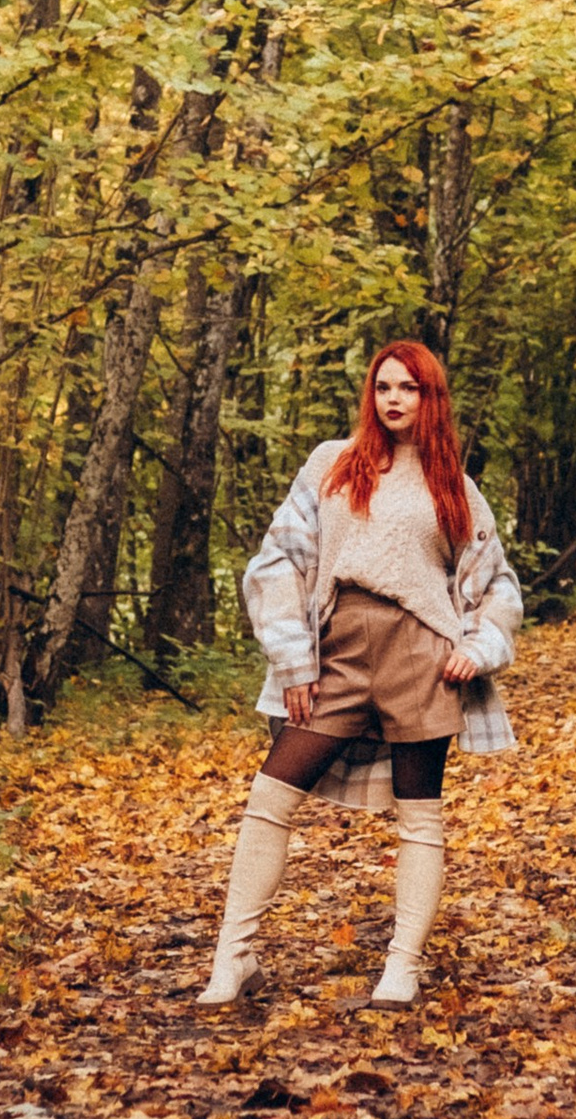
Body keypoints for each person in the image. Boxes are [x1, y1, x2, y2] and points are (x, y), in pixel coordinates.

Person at [201, 340, 524, 1009]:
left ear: (431, 397)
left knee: (419, 816)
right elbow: (277, 561)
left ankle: (402, 967)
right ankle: (233, 961)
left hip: (421, 659)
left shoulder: (454, 485)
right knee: (271, 796)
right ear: (371, 395)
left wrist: (480, 646)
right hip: (338, 650)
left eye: (410, 387)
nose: (395, 398)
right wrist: (293, 656)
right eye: (384, 387)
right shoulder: (332, 463)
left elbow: (498, 585)